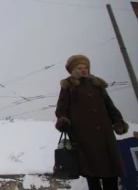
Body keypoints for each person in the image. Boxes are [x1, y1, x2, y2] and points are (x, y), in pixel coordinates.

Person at [55, 54, 129, 190]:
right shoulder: (69, 85)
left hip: (105, 134)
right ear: (73, 70)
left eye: (85, 67)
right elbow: (61, 108)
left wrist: (118, 121)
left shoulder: (97, 84)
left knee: (111, 170)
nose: (83, 70)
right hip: (84, 135)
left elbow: (109, 106)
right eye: (79, 67)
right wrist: (63, 121)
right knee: (92, 172)